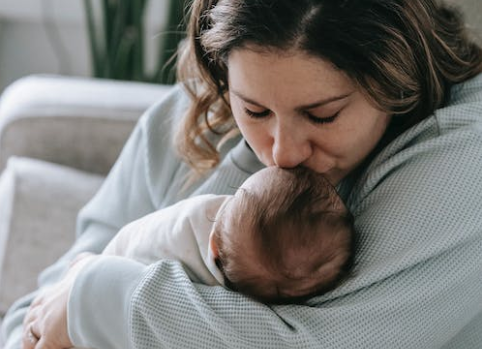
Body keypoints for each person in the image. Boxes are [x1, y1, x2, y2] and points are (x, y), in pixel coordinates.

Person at [2, 0, 482, 348]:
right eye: (254, 108)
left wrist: (95, 300)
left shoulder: (463, 155)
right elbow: (31, 313)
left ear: (396, 76)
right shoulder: (191, 122)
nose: (284, 153)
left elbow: (317, 343)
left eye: (322, 116)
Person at [102, 166, 356, 304]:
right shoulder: (184, 230)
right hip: (115, 264)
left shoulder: (201, 225)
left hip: (111, 276)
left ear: (214, 247)